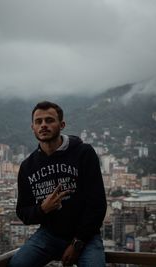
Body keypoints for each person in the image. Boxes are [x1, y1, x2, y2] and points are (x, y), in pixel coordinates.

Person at [8, 101, 107, 267]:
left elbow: (97, 206)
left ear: (62, 125)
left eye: (49, 120)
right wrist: (42, 209)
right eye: (38, 122)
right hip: (49, 235)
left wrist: (77, 243)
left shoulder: (83, 153)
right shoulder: (27, 166)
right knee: (17, 264)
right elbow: (22, 212)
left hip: (86, 236)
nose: (43, 125)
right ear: (32, 127)